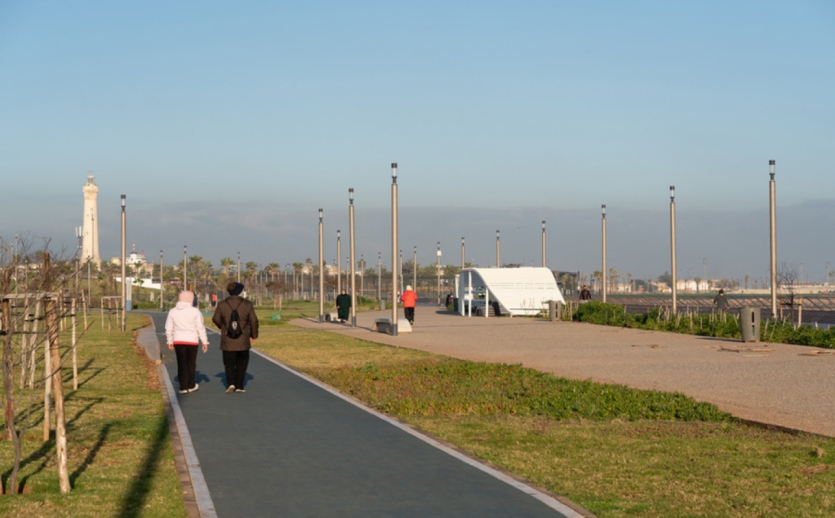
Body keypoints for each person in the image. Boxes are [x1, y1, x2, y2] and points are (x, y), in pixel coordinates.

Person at [212, 282, 259, 393]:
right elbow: (254, 321)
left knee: (229, 363)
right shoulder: (247, 304)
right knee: (242, 362)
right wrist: (253, 335)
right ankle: (239, 385)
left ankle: (231, 383)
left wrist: (223, 327)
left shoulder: (222, 304)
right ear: (240, 291)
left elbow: (216, 319)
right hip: (243, 339)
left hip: (227, 340)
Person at [165, 290, 210, 394]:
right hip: (192, 340)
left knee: (182, 363)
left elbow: (168, 327)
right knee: (191, 363)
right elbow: (200, 327)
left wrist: (169, 341)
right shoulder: (195, 311)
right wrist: (204, 341)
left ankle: (183, 387)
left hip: (178, 340)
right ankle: (191, 384)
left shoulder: (173, 311)